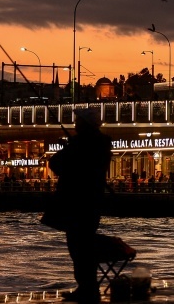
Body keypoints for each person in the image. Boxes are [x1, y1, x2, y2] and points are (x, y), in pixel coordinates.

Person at [48, 108, 112, 304]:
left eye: (78, 121)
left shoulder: (82, 144)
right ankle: (87, 287)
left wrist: (71, 146)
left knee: (78, 247)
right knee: (85, 245)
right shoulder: (101, 144)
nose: (75, 124)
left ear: (84, 124)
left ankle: (87, 289)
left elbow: (56, 164)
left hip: (77, 200)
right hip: (93, 201)